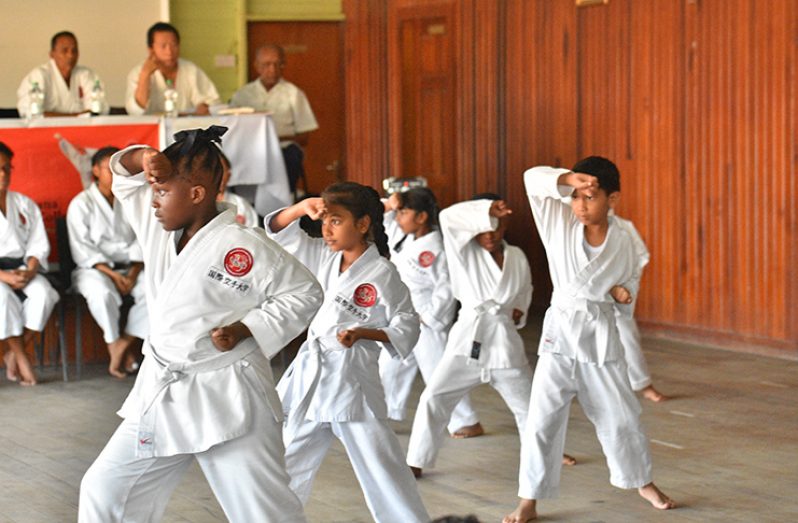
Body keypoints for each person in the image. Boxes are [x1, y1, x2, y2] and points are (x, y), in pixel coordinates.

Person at [78, 126, 322, 522]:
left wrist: (248, 328)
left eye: (162, 191)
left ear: (196, 194)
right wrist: (143, 159)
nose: (153, 201)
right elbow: (122, 174)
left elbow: (306, 293)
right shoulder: (157, 227)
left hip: (229, 393)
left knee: (263, 512)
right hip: (165, 390)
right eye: (153, 190)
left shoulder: (244, 244)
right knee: (104, 489)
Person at [504, 157, 675, 522]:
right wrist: (567, 178)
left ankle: (641, 481)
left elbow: (630, 278)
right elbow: (531, 178)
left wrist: (623, 291)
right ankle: (528, 500)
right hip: (559, 338)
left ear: (612, 198)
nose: (581, 205)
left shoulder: (625, 240)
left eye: (591, 197)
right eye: (576, 196)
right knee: (541, 420)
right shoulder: (557, 221)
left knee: (621, 416)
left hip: (599, 337)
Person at [264, 182, 430, 523]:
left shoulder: (382, 273)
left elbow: (408, 325)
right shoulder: (324, 257)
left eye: (336, 220)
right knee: (284, 466)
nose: (326, 229)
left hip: (353, 388)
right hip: (313, 383)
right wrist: (301, 208)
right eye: (325, 219)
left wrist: (364, 332)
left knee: (384, 473)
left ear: (364, 224)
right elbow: (277, 233)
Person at [405, 195, 537, 478]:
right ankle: (416, 460)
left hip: (504, 342)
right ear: (473, 226)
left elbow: (525, 290)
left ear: (506, 225)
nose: (490, 235)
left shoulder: (517, 256)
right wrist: (485, 210)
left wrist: (518, 312)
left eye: (497, 226)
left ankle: (543, 453)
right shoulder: (462, 250)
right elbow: (448, 218)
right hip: (468, 340)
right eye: (483, 227)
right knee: (435, 397)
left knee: (530, 409)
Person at [379, 188, 483, 438]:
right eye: (399, 212)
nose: (399, 217)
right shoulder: (402, 236)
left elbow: (446, 287)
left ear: (422, 216)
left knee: (438, 372)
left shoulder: (435, 247)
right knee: (389, 367)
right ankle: (386, 413)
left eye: (405, 212)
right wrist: (391, 205)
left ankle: (466, 420)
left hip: (425, 319)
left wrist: (432, 317)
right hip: (402, 315)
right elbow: (382, 219)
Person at [66, 146, 148, 378]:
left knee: (157, 289)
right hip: (94, 269)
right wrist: (114, 276)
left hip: (132, 267)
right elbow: (82, 250)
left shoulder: (131, 201)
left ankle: (125, 342)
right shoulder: (81, 204)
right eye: (111, 169)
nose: (116, 174)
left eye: (121, 170)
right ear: (95, 170)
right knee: (102, 293)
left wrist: (131, 273)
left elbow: (142, 240)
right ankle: (113, 343)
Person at [0, 142, 60, 386]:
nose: (3, 174)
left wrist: (30, 270)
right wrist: (5, 277)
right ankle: (24, 359)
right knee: (3, 299)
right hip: (1, 275)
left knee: (45, 294)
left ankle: (15, 351)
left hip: (24, 268)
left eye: (6, 168)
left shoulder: (24, 203)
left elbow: (38, 244)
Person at [230, 44, 318, 195]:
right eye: (266, 64)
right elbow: (231, 128)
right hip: (249, 149)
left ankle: (285, 200)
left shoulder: (294, 94)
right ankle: (242, 204)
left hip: (283, 148)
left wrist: (272, 139)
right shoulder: (242, 95)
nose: (272, 69)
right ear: (257, 66)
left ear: (283, 65)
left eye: (277, 64)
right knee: (229, 158)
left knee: (291, 155)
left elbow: (304, 137)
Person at [613, 213, 668, 402]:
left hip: (618, 292)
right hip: (586, 297)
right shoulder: (575, 225)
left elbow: (641, 255)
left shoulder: (623, 226)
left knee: (627, 336)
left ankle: (643, 384)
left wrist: (626, 282)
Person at [125, 22, 220, 116]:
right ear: (151, 49)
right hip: (152, 129)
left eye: (174, 45)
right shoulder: (137, 73)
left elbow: (214, 102)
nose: (169, 51)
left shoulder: (190, 70)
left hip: (186, 127)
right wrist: (145, 75)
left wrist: (204, 107)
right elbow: (135, 111)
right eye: (163, 46)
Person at [17, 31, 109, 118]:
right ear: (52, 54)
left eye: (74, 50)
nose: (70, 55)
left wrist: (55, 116)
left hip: (82, 130)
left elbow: (97, 112)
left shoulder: (86, 75)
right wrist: (76, 117)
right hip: (45, 130)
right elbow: (31, 113)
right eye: (64, 51)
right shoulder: (39, 76)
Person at [218, 151, 259, 227]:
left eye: (222, 171)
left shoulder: (241, 205)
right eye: (214, 172)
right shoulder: (196, 206)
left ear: (229, 175)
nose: (218, 177)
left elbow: (252, 233)